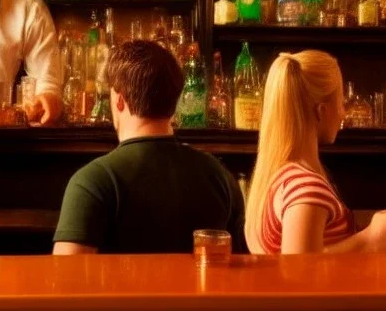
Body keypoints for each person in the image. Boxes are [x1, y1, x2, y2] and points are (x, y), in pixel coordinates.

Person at [54, 40, 244, 254]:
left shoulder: (92, 182)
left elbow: (66, 280)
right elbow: (242, 268)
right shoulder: (219, 175)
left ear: (118, 100)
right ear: (175, 101)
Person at [245, 50, 386, 254]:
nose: (343, 113)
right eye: (341, 102)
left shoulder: (279, 174)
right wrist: (370, 241)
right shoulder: (306, 189)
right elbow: (298, 277)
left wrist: (380, 231)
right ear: (321, 111)